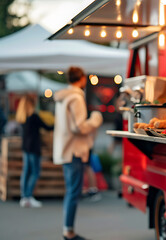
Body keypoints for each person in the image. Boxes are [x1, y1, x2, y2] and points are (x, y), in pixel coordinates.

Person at [53, 66, 103, 240]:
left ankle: (68, 229)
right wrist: (96, 119)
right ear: (81, 78)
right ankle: (69, 231)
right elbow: (79, 127)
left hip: (66, 149)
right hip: (75, 150)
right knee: (73, 192)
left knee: (71, 191)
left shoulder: (64, 97)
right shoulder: (76, 98)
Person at [15, 95, 53, 207]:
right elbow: (48, 127)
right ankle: (28, 196)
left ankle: (24, 197)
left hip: (26, 147)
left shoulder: (22, 117)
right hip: (34, 148)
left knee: (26, 172)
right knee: (35, 172)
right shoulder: (34, 117)